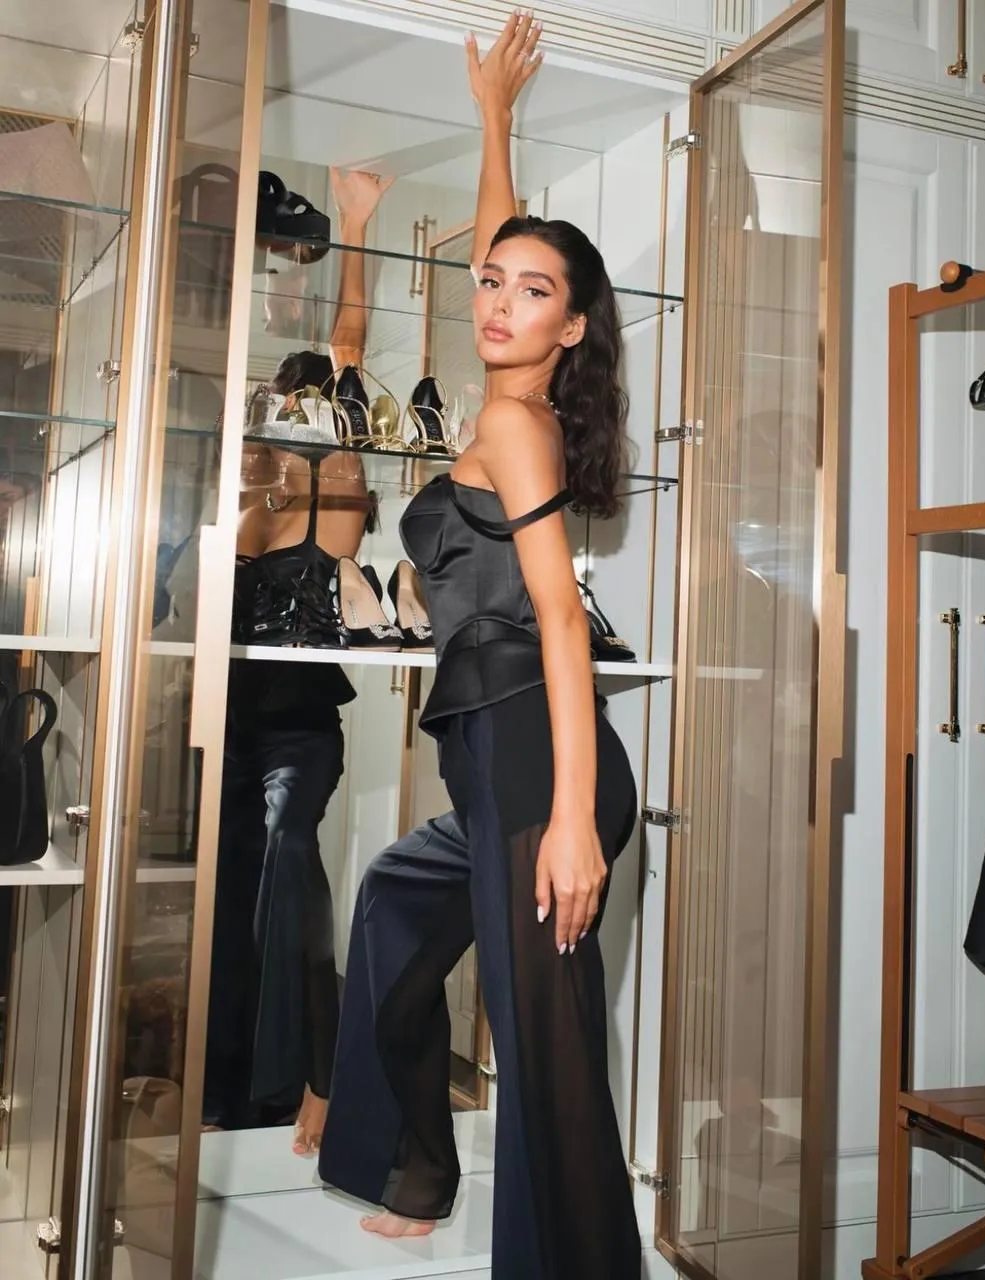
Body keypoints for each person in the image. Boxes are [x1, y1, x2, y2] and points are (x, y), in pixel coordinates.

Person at [318, 13, 641, 1278]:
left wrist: (571, 824)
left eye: (532, 292)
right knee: (396, 910)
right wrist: (494, 120)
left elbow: (560, 617)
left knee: (542, 1042)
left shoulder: (514, 429)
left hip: (534, 768)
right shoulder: (514, 400)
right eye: (490, 281)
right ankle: (417, 1163)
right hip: (495, 765)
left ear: (573, 327)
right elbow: (514, 244)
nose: (499, 301)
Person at [202, 170, 391, 1155]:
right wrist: (353, 224)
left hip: (283, 723)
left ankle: (304, 1078)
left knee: (281, 877)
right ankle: (249, 1080)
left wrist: (355, 221)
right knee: (248, 884)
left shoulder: (306, 476)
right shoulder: (303, 477)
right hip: (259, 722)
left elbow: (347, 343)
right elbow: (349, 343)